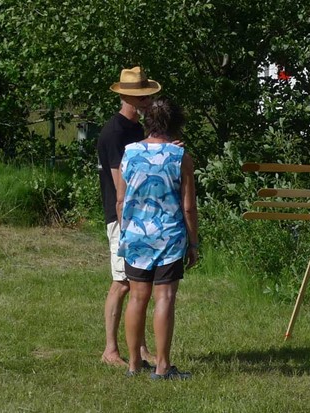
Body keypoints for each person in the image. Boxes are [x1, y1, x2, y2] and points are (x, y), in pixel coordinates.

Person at [116, 97, 199, 379]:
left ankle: (133, 364)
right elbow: (188, 206)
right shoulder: (181, 158)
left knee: (137, 298)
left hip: (136, 235)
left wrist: (126, 231)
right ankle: (162, 366)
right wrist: (194, 243)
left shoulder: (129, 154)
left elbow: (120, 200)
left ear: (147, 122)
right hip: (169, 237)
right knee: (164, 297)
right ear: (176, 125)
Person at [97, 66, 161, 367]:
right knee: (122, 282)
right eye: (142, 97)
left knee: (140, 283)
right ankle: (110, 350)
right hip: (121, 215)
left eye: (147, 96)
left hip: (141, 215)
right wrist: (125, 222)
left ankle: (141, 348)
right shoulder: (114, 133)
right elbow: (119, 182)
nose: (147, 101)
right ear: (126, 97)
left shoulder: (138, 130)